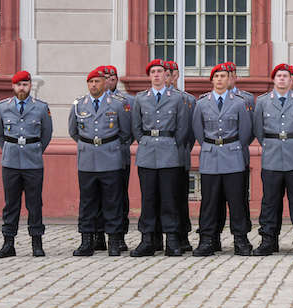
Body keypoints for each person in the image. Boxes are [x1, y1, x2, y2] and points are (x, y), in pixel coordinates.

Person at [252, 63, 293, 256]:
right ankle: (268, 240)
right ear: (274, 79)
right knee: (270, 201)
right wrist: (272, 145)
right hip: (271, 156)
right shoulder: (262, 102)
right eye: (279, 76)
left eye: (285, 76)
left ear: (291, 80)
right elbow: (258, 130)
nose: (282, 79)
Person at [129, 59, 191, 257]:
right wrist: (146, 141)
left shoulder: (177, 99)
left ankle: (172, 239)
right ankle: (147, 239)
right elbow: (136, 128)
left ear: (167, 75)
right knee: (148, 198)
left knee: (169, 197)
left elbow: (183, 128)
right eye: (153, 72)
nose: (156, 75)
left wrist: (172, 144)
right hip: (147, 151)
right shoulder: (140, 98)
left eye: (160, 71)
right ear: (149, 76)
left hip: (169, 150)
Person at [192, 63, 254, 256]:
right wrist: (211, 144)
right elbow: (198, 130)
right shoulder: (201, 103)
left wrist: (231, 145)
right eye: (216, 76)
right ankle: (207, 239)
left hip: (233, 154)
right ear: (211, 80)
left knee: (237, 201)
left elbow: (245, 132)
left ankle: (241, 240)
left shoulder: (238, 102)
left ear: (229, 80)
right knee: (209, 201)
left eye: (223, 76)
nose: (219, 80)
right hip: (210, 155)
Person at [68, 67, 132, 256]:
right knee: (88, 202)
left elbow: (126, 132)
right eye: (91, 82)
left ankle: (113, 240)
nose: (94, 85)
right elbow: (73, 131)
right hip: (87, 159)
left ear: (105, 83)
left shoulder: (118, 104)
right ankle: (86, 241)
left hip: (110, 157)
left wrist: (110, 146)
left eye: (97, 81)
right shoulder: (79, 104)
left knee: (112, 200)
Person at [0, 71, 53, 258]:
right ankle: (8, 243)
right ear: (13, 87)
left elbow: (46, 134)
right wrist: (11, 149)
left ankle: (37, 242)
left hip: (33, 162)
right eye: (18, 85)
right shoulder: (3, 107)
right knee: (11, 204)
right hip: (11, 161)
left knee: (34, 204)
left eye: (25, 85)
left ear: (30, 86)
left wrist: (33, 149)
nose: (22, 88)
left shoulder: (41, 108)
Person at [164, 61, 197, 252]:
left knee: (178, 198)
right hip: (159, 156)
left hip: (180, 155)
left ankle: (182, 236)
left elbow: (190, 132)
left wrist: (181, 149)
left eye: (169, 74)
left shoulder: (187, 100)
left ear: (176, 76)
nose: (166, 77)